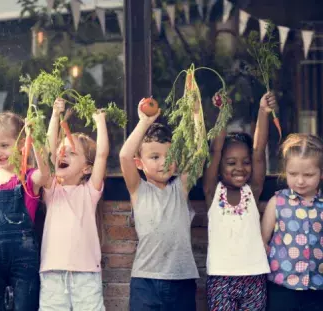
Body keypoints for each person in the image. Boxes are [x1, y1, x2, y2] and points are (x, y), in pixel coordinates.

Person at [119, 99, 199, 311]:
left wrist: (197, 115)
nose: (164, 162)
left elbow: (199, 151)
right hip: (146, 281)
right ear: (139, 162)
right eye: (154, 156)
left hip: (182, 280)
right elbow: (124, 155)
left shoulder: (180, 188)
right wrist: (144, 122)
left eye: (169, 156)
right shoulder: (138, 189)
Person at [203, 92, 277, 310]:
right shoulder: (212, 192)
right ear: (220, 167)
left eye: (245, 162)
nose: (239, 168)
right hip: (220, 279)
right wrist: (222, 114)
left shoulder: (251, 192)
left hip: (254, 277)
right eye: (231, 162)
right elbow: (215, 151)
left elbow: (258, 152)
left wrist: (263, 112)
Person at [0, 112, 50, 310]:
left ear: (21, 144)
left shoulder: (28, 179)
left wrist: (35, 142)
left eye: (4, 145)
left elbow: (46, 175)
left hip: (23, 261)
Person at [38, 99, 108, 310]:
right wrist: (55, 116)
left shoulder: (89, 192)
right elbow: (47, 153)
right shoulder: (51, 190)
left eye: (71, 153)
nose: (62, 155)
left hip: (86, 274)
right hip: (52, 274)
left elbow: (103, 154)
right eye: (62, 150)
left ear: (86, 168)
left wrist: (101, 121)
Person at [261, 133, 323, 311]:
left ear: (321, 174)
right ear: (284, 171)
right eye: (293, 174)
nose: (300, 180)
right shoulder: (278, 202)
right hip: (282, 285)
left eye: (309, 174)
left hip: (317, 287)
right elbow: (263, 241)